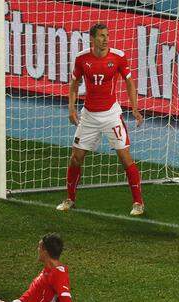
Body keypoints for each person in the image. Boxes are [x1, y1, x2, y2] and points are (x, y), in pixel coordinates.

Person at [57, 23, 145, 216]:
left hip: (111, 116)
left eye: (107, 35)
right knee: (76, 158)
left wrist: (135, 109)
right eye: (101, 36)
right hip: (88, 116)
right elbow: (74, 85)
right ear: (92, 38)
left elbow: (130, 83)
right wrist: (72, 108)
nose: (105, 39)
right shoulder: (82, 59)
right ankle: (70, 198)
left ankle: (138, 202)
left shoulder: (118, 57)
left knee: (125, 158)